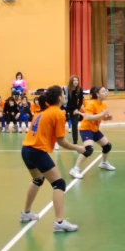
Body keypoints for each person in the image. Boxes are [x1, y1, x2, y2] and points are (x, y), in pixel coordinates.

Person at [19, 86, 86, 232]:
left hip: (26, 150)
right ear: (59, 97)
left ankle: (26, 213)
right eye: (63, 94)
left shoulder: (42, 112)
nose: (65, 96)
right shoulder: (57, 113)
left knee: (38, 180)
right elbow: (61, 141)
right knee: (59, 184)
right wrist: (78, 148)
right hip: (37, 151)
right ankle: (59, 222)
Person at [70, 86, 115, 179]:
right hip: (86, 129)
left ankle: (104, 163)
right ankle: (75, 169)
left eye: (106, 91)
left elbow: (98, 117)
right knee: (89, 149)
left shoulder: (103, 105)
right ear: (97, 94)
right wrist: (102, 114)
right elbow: (88, 117)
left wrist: (105, 118)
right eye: (103, 91)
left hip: (95, 129)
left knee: (107, 146)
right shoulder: (91, 104)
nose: (106, 92)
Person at [65, 75, 84, 145]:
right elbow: (61, 99)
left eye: (77, 80)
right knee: (59, 125)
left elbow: (81, 100)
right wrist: (63, 109)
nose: (76, 82)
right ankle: (57, 143)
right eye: (74, 80)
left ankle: (75, 143)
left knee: (75, 125)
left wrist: (77, 109)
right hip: (66, 109)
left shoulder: (79, 89)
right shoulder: (66, 89)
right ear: (71, 81)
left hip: (74, 110)